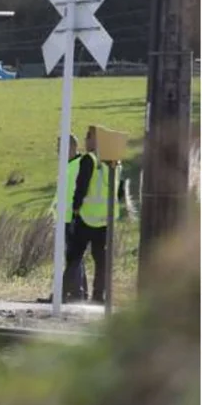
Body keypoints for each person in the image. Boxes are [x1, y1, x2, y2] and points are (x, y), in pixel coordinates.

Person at [63, 127, 121, 305]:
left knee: (74, 257)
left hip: (86, 217)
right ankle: (98, 296)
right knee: (101, 260)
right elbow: (118, 191)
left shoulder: (90, 160)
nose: (85, 141)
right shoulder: (115, 163)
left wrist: (75, 208)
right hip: (105, 220)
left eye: (87, 138)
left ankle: (63, 293)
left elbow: (82, 186)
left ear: (94, 140)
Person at [44, 133, 88, 302]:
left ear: (71, 147)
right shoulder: (68, 166)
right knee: (75, 257)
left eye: (60, 147)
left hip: (73, 217)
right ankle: (79, 292)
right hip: (65, 217)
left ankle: (70, 293)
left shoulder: (79, 165)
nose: (57, 151)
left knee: (73, 257)